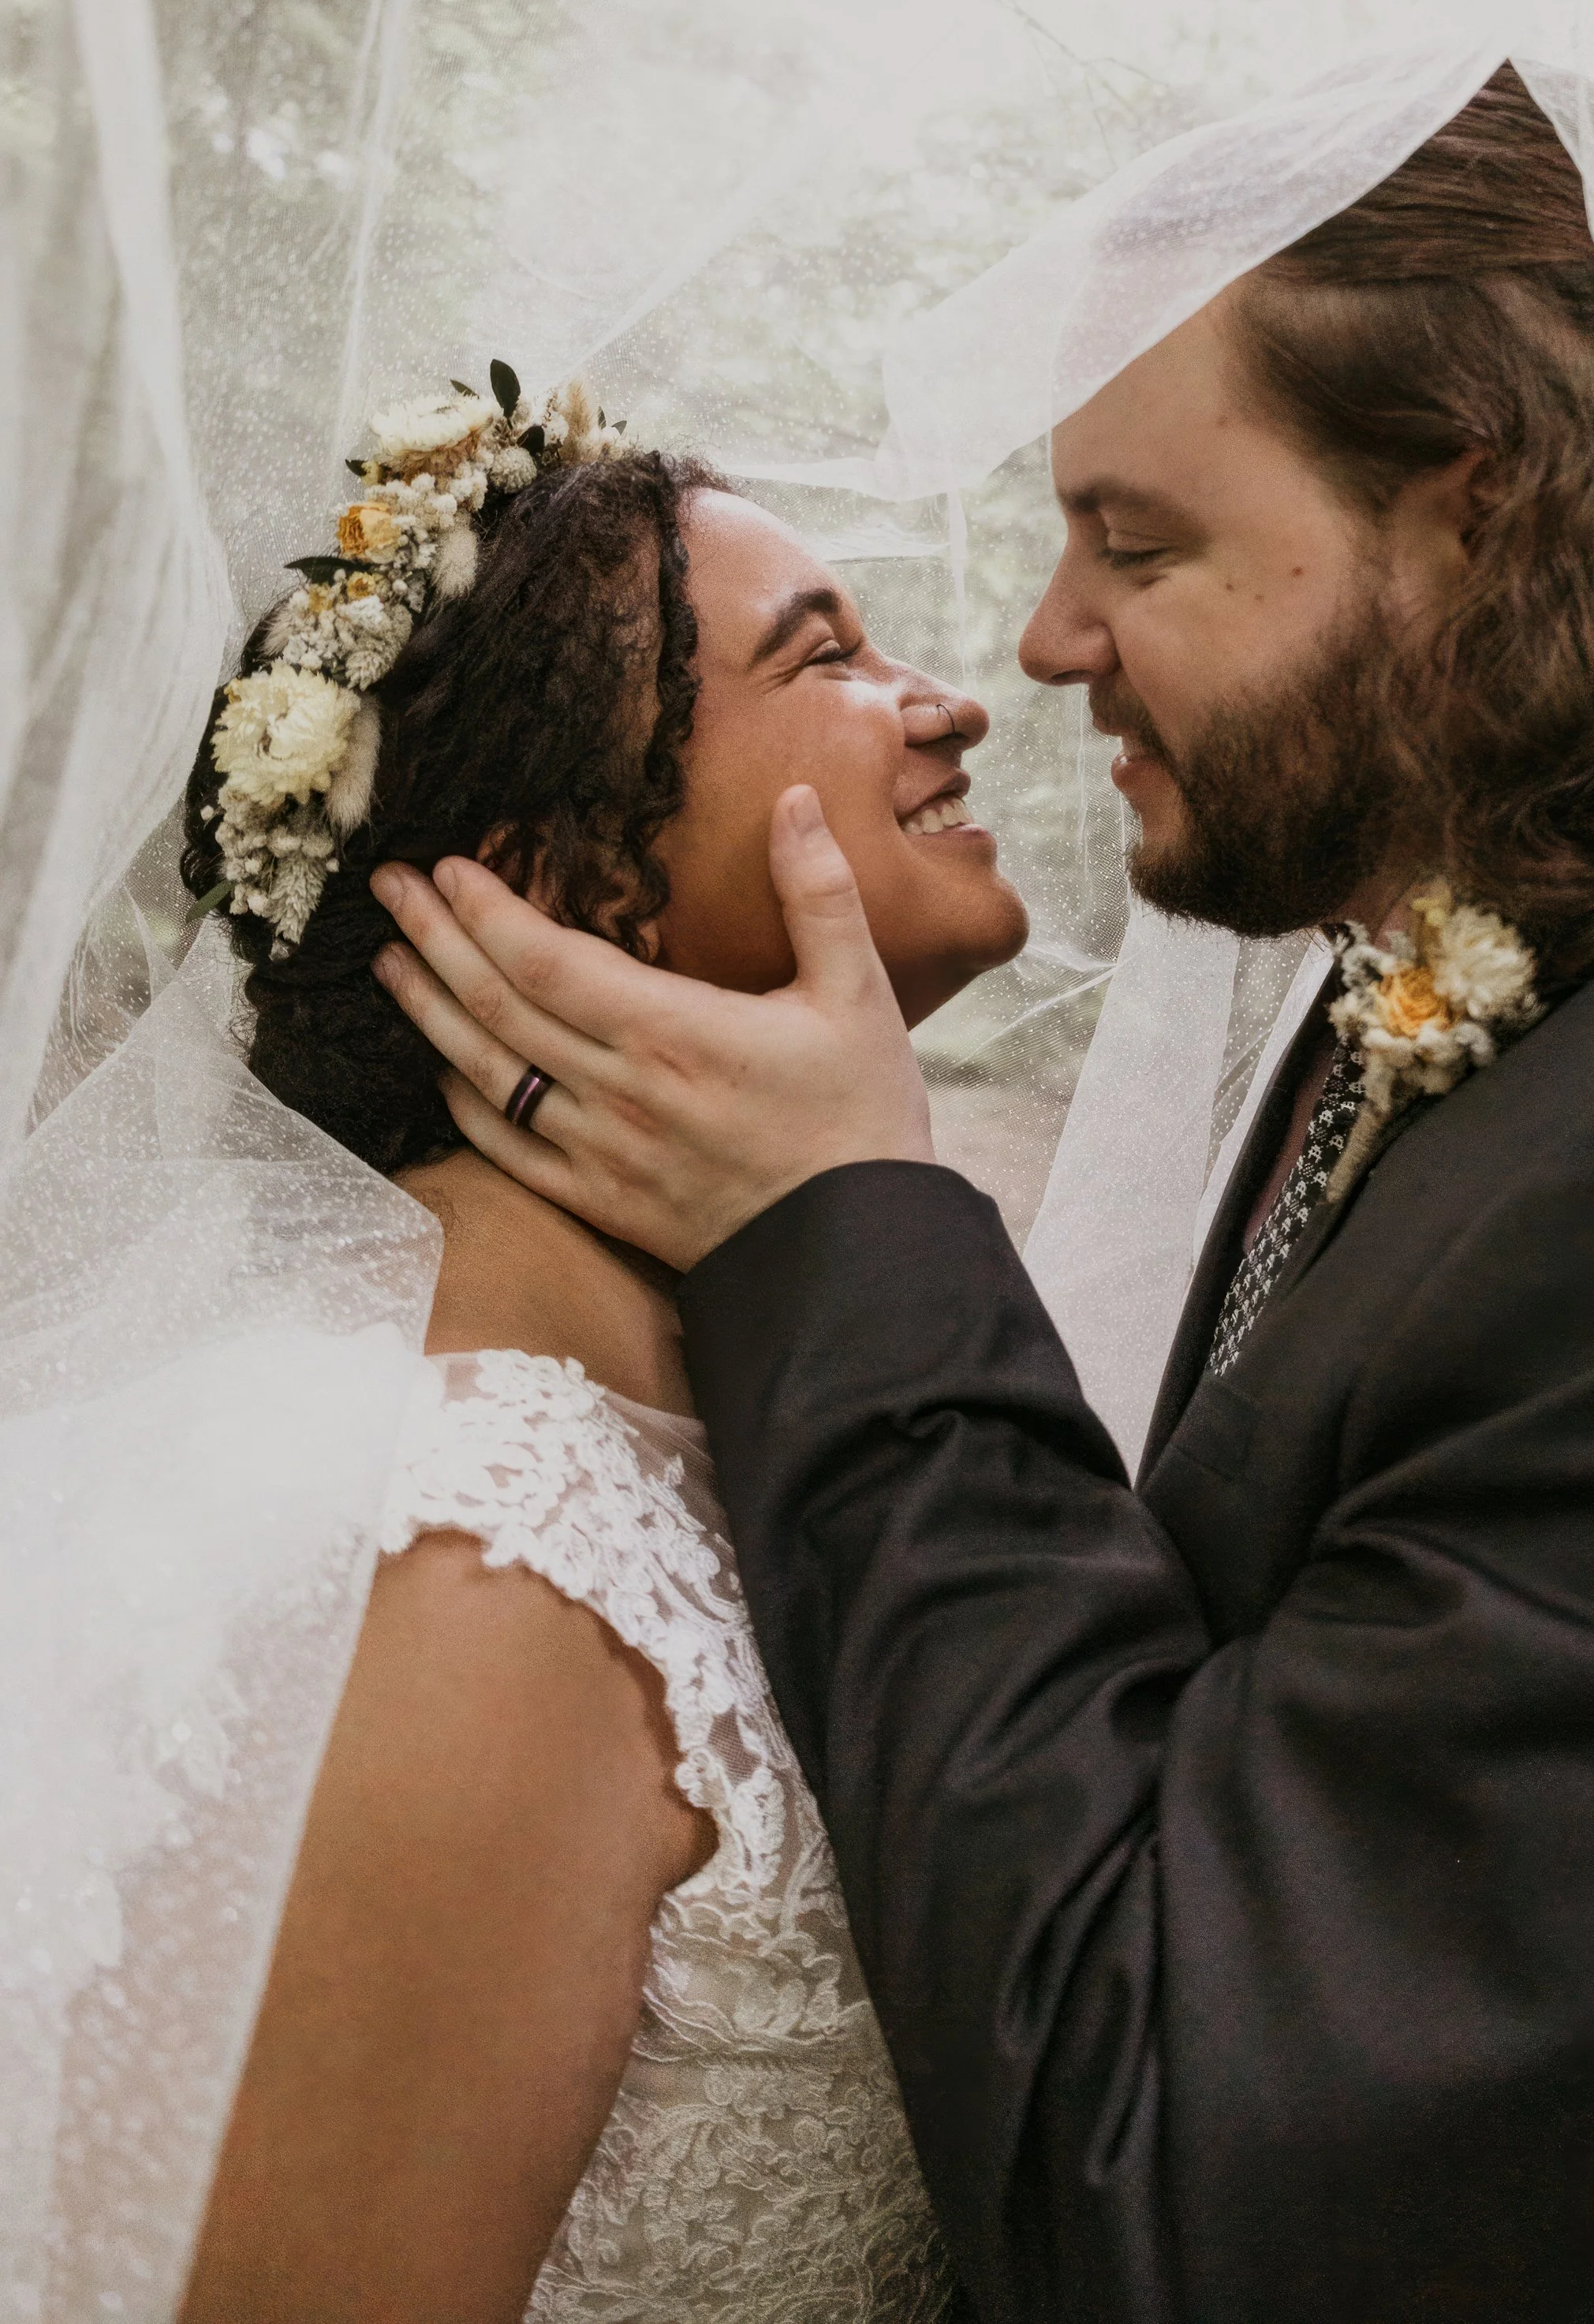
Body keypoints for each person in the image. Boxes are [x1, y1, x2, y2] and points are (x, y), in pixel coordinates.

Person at [375, 66, 1594, 2323]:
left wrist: (845, 1222)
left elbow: (1200, 2188)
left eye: (1137, 543)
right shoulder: (1490, 942)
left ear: (1473, 522)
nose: (1035, 642)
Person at [175, 384, 1022, 2322]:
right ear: (553, 884)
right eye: (827, 654)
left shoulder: (720, 1438)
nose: (950, 701)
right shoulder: (478, 1573)